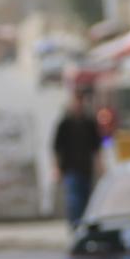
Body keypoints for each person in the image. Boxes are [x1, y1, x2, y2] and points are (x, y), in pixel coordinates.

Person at [52, 90, 103, 228]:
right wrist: (56, 168)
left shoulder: (89, 122)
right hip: (70, 168)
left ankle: (83, 225)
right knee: (74, 200)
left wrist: (100, 166)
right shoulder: (65, 123)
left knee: (86, 198)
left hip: (86, 167)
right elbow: (57, 147)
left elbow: (96, 147)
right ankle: (75, 226)